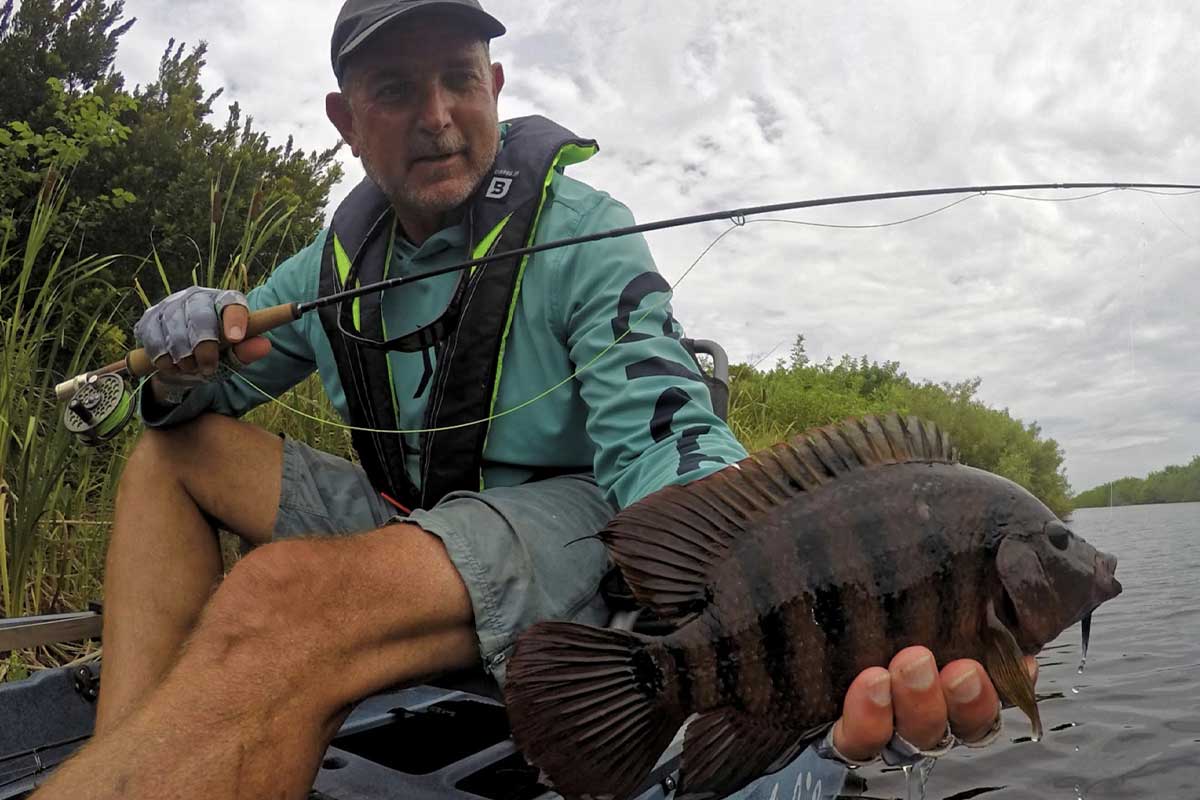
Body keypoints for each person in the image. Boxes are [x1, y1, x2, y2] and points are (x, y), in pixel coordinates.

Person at [34, 1, 1032, 798]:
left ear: (496, 87)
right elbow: (180, 405)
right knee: (168, 455)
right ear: (345, 119)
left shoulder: (584, 231)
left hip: (573, 527)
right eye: (394, 88)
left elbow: (668, 434)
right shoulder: (331, 263)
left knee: (279, 597)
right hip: (415, 526)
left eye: (459, 80)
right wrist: (173, 365)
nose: (436, 116)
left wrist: (785, 594)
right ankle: (132, 753)